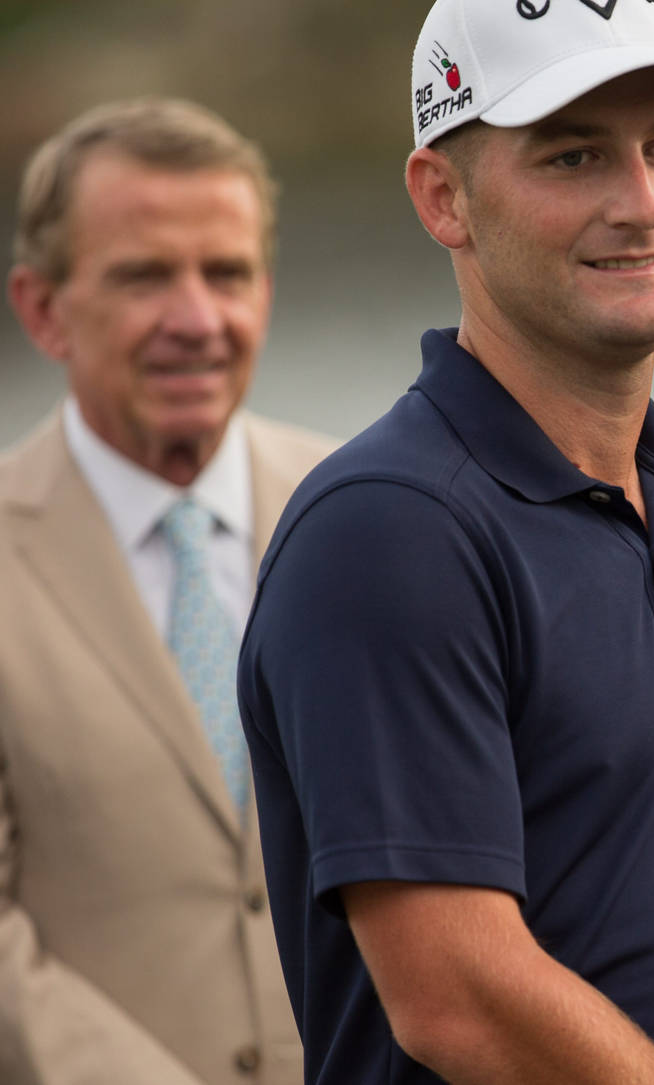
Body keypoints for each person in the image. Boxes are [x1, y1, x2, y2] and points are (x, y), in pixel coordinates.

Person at [235, 1, 654, 1082]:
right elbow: (459, 997)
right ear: (442, 197)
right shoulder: (389, 528)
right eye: (574, 155)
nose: (641, 204)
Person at [0, 98, 332, 1084]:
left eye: (226, 273)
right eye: (144, 276)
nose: (196, 319)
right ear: (42, 308)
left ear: (266, 292)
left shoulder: (373, 519)